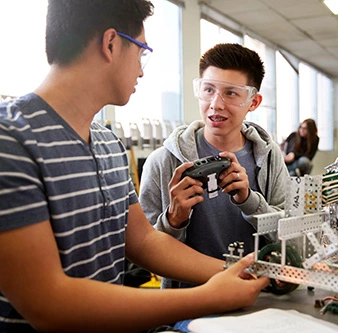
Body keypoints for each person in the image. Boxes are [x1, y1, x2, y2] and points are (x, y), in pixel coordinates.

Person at [0, 2, 269, 332]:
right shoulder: (10, 140)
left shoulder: (106, 143)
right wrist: (209, 297)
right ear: (111, 43)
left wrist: (233, 272)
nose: (142, 70)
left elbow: (142, 241)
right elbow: (48, 302)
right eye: (141, 51)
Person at [139, 43, 289, 287]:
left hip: (257, 300)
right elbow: (144, 252)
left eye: (231, 93)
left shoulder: (270, 159)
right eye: (208, 89)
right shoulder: (162, 162)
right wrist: (173, 219)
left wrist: (250, 202)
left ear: (253, 102)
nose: (216, 104)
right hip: (188, 305)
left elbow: (288, 240)